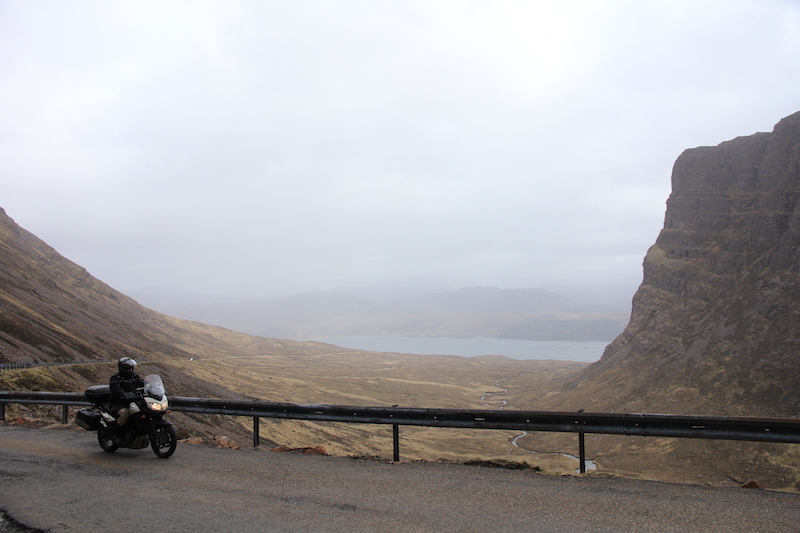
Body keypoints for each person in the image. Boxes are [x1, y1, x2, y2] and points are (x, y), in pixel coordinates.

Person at [109, 357, 144, 430]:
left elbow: (142, 383)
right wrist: (123, 394)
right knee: (124, 413)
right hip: (118, 402)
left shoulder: (134, 376)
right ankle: (117, 432)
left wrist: (151, 386)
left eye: (131, 368)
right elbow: (115, 388)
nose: (130, 370)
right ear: (122, 368)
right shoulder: (116, 378)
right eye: (128, 368)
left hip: (133, 401)